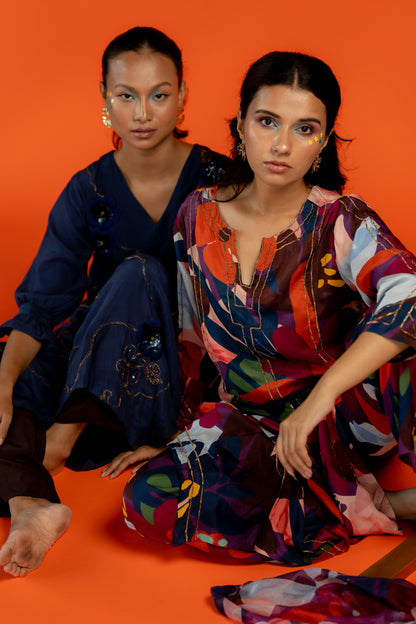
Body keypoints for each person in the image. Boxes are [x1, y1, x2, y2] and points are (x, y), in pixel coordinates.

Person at [121, 51, 416, 567]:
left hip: (350, 417)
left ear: (323, 141)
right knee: (148, 500)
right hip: (258, 425)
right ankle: (385, 505)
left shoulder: (337, 220)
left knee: (406, 339)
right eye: (267, 122)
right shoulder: (197, 215)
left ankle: (336, 495)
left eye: (304, 129)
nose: (281, 145)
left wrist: (322, 396)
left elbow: (409, 293)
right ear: (240, 125)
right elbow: (192, 336)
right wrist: (181, 436)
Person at [0, 26, 229, 577]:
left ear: (182, 97)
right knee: (10, 358)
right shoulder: (88, 189)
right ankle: (31, 504)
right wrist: (3, 385)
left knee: (138, 273)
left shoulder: (221, 181)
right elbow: (40, 308)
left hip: (170, 380)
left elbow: (250, 303)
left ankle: (57, 442)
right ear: (105, 98)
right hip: (93, 359)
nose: (142, 113)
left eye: (159, 94)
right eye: (126, 95)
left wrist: (189, 429)